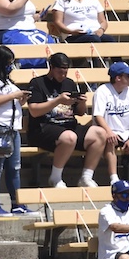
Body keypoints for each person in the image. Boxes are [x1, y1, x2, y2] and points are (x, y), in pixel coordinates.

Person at [27, 53, 106, 188]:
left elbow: (79, 112)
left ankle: (86, 177)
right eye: (59, 72)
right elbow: (34, 111)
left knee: (100, 134)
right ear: (51, 68)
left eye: (65, 72)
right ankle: (55, 177)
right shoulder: (38, 83)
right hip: (43, 127)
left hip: (68, 124)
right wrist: (58, 100)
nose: (62, 75)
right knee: (70, 137)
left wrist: (81, 102)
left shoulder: (69, 83)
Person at [0, 45, 37, 216]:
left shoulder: (6, 80)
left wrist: (22, 98)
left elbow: (13, 102)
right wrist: (14, 96)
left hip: (11, 128)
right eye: (8, 63)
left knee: (14, 167)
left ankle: (16, 203)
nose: (11, 66)